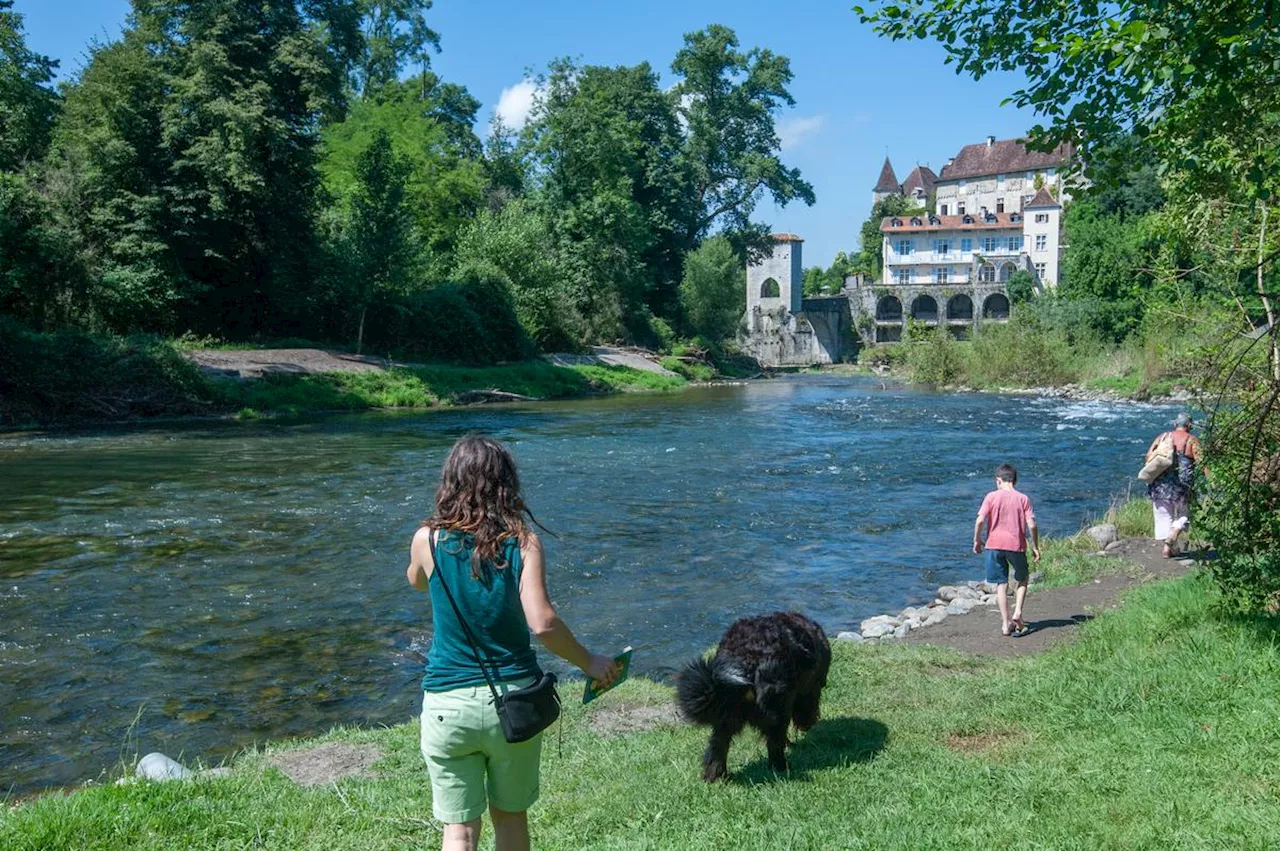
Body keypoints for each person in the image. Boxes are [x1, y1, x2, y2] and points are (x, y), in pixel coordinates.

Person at [406, 435, 621, 851]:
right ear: (506, 485)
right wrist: (588, 660)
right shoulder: (522, 542)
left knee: (459, 830)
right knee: (510, 818)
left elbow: (415, 580)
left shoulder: (426, 539)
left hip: (447, 707)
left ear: (449, 482)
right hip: (514, 702)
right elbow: (542, 623)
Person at [973, 463, 1041, 638]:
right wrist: (1035, 546)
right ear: (1015, 480)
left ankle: (1005, 623)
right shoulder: (1023, 498)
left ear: (998, 480)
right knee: (1023, 578)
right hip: (1015, 546)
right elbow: (1032, 525)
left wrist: (976, 540)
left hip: (993, 545)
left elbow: (980, 521)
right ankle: (1017, 612)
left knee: (1001, 585)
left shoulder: (991, 497)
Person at [1146, 412, 1201, 558]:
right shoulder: (1191, 440)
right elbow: (1201, 461)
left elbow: (1148, 457)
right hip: (1182, 486)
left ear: (1175, 424)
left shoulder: (1162, 437)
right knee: (1185, 514)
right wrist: (1212, 479)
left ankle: (1167, 549)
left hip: (1159, 485)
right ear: (1189, 426)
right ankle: (1174, 534)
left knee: (1164, 518)